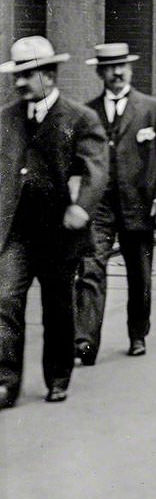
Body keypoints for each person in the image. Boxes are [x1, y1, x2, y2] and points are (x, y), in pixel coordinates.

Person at [0, 37, 110, 405]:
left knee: (57, 306)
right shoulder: (7, 118)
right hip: (16, 230)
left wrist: (82, 207)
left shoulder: (80, 119)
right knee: (4, 299)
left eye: (27, 75)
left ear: (49, 75)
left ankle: (59, 376)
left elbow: (95, 170)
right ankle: (5, 381)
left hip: (59, 232)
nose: (19, 83)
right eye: (17, 75)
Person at [74, 42, 156, 364]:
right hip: (99, 207)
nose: (117, 73)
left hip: (139, 205)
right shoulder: (88, 112)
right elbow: (79, 161)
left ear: (130, 70)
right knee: (90, 269)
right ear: (100, 72)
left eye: (122, 67)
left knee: (140, 273)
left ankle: (137, 334)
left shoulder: (153, 110)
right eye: (110, 68)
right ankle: (85, 342)